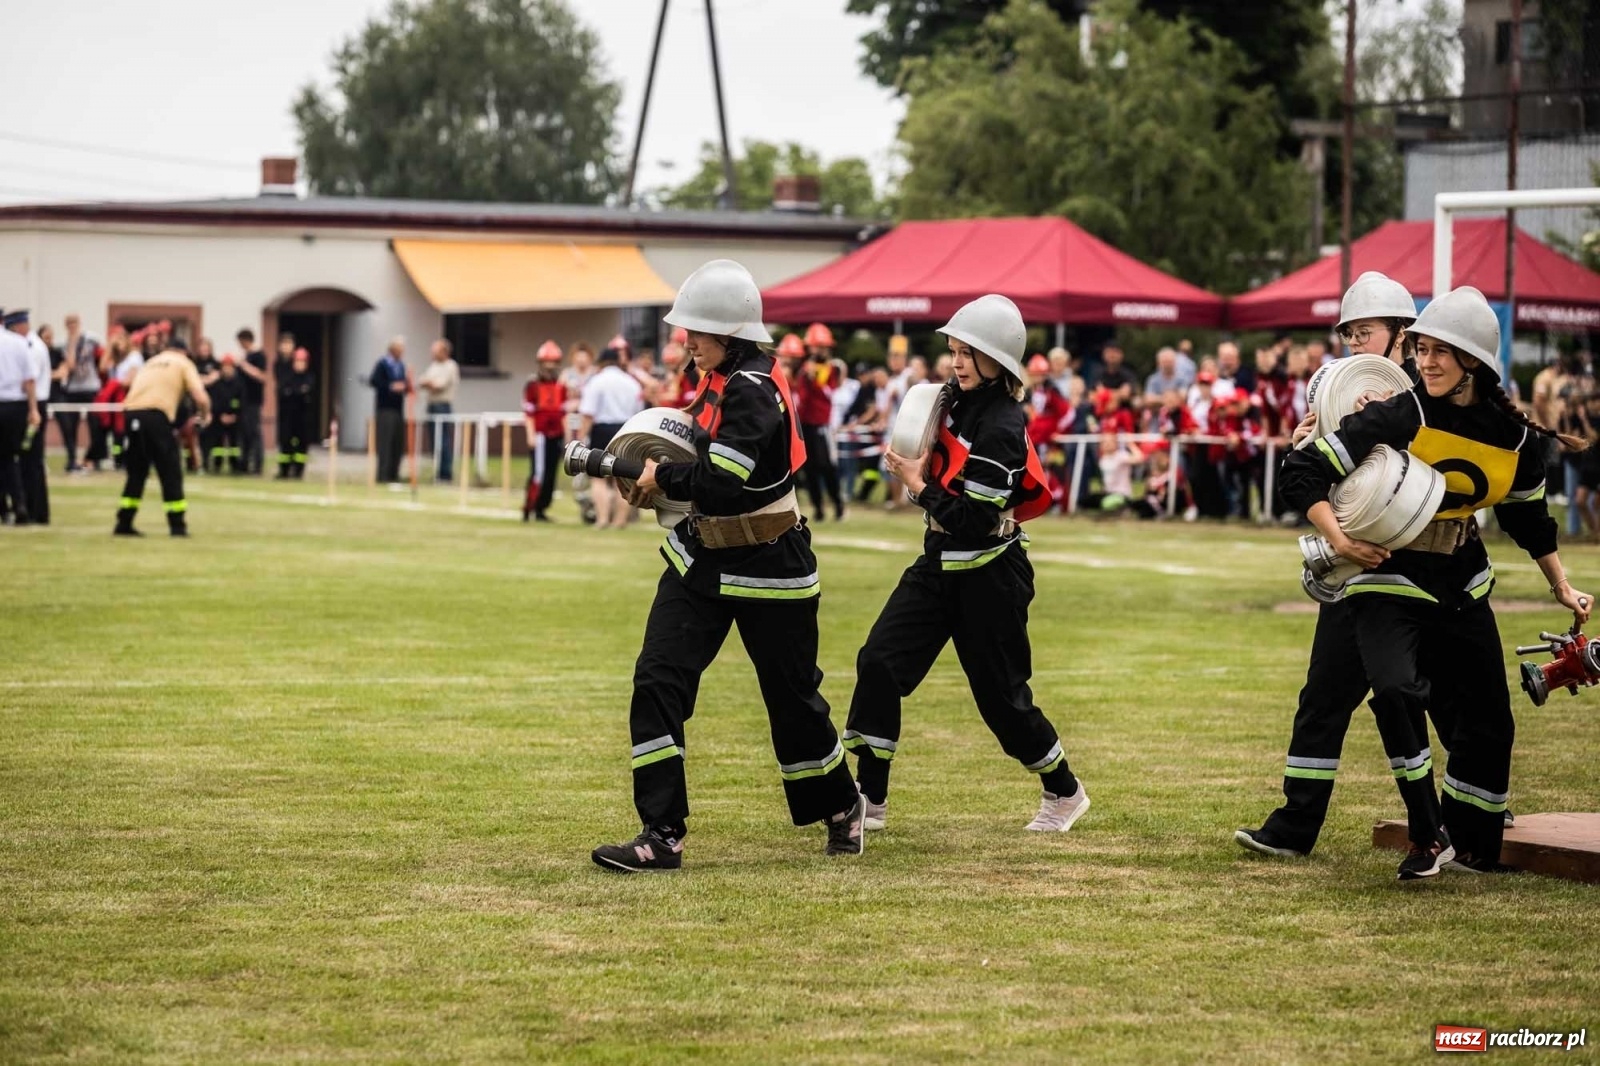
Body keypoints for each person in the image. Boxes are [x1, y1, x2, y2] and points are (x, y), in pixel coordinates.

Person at [1278, 286, 1589, 879]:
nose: (1425, 363)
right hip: (1387, 573)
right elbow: (1304, 470)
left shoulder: (1513, 436)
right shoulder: (1405, 411)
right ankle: (1426, 833)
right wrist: (1340, 541)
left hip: (1463, 578)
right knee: (1395, 692)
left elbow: (1529, 518)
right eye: (1419, 349)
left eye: (1440, 352)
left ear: (1474, 361)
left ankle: (1472, 845)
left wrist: (1560, 585)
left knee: (1489, 724)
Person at [591, 259, 865, 871]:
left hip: (771, 563)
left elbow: (723, 480)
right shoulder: (718, 378)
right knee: (658, 679)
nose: (686, 343)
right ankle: (661, 833)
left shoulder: (753, 388)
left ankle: (843, 804)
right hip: (702, 558)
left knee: (794, 706)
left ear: (728, 333)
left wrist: (663, 476)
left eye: (695, 332)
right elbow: (694, 462)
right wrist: (651, 488)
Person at [844, 294, 1088, 833]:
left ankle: (1064, 791)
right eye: (953, 350)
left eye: (966, 353)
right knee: (879, 663)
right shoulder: (951, 401)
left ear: (996, 361)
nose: (954, 362)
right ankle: (872, 799)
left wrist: (917, 485)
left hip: (990, 572)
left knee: (1002, 702)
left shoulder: (1002, 424)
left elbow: (976, 519)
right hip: (939, 562)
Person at [1237, 271, 1428, 859]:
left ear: (1402, 335)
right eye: (1348, 336)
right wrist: (1306, 448)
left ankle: (1466, 815)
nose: (1353, 346)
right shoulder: (1339, 393)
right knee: (1322, 697)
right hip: (1356, 575)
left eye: (1364, 333)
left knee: (1441, 700)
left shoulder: (1431, 397)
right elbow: (1316, 481)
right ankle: (1295, 829)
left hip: (1418, 578)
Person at [115, 338, 211, 537]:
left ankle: (124, 522)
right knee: (170, 471)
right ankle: (177, 526)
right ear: (184, 352)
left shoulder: (150, 362)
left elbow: (129, 386)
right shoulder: (183, 363)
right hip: (156, 415)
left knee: (137, 471)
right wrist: (205, 415)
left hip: (131, 413)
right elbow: (200, 396)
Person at [577, 344, 643, 529]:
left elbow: (588, 413)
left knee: (598, 478)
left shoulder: (597, 381)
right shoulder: (631, 382)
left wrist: (580, 438)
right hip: (625, 430)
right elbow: (638, 411)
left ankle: (603, 519)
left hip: (601, 429)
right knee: (620, 478)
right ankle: (620, 520)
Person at [793, 323, 845, 522]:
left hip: (823, 426)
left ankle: (838, 504)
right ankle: (818, 508)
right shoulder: (804, 370)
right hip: (805, 425)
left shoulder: (832, 369)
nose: (819, 350)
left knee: (827, 467)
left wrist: (815, 380)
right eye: (816, 346)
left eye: (822, 347)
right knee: (810, 469)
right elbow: (800, 398)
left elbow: (830, 393)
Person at [8, 311, 51, 525]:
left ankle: (35, 509)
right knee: (27, 460)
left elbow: (29, 380)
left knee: (30, 461)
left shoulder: (31, 346)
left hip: (32, 405)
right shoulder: (30, 344)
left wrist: (31, 410)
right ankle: (34, 509)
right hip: (31, 405)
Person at [0, 311, 39, 525]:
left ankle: (3, 509)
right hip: (15, 404)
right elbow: (30, 380)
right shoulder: (18, 343)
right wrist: (33, 409)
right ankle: (19, 504)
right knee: (11, 458)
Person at [522, 340, 567, 521]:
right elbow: (528, 412)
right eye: (546, 363)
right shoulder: (532, 386)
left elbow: (563, 412)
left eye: (553, 363)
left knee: (551, 473)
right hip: (540, 434)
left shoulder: (560, 386)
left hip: (555, 434)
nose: (549, 367)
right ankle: (529, 506)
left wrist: (568, 437)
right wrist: (530, 434)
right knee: (538, 472)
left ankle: (542, 508)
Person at [58, 315, 102, 473]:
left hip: (91, 386)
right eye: (69, 323)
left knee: (95, 425)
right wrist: (72, 344)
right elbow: (70, 365)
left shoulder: (91, 340)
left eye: (74, 323)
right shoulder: (63, 344)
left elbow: (102, 357)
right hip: (73, 388)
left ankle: (92, 458)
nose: (72, 326)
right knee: (71, 426)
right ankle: (72, 459)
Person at [416, 338, 460, 482]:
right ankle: (437, 472)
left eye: (435, 351)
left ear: (444, 352)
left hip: (443, 406)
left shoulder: (450, 366)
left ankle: (445, 474)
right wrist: (428, 383)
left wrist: (429, 383)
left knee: (444, 441)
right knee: (434, 441)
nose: (432, 354)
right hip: (432, 405)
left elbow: (439, 385)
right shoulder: (434, 366)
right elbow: (422, 381)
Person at [369, 337, 411, 484]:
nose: (402, 352)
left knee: (397, 443)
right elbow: (374, 381)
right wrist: (391, 386)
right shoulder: (382, 364)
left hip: (398, 409)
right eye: (400, 349)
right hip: (385, 408)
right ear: (393, 349)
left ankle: (394, 474)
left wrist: (406, 386)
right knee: (385, 443)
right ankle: (383, 475)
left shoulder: (401, 366)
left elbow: (406, 385)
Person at [276, 348, 315, 479]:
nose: (299, 364)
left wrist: (294, 392)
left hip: (303, 417)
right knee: (285, 443)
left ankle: (299, 471)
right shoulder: (287, 376)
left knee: (302, 444)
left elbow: (306, 393)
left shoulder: (309, 378)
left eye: (302, 361)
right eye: (297, 361)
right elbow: (283, 392)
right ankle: (284, 471)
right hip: (287, 417)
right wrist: (297, 392)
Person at [204, 356, 246, 473]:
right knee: (218, 443)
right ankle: (217, 464)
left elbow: (242, 401)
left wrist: (234, 415)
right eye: (225, 367)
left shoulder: (239, 384)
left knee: (234, 443)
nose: (227, 369)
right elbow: (214, 400)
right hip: (219, 418)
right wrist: (221, 414)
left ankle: (235, 465)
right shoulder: (217, 384)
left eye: (229, 367)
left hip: (235, 418)